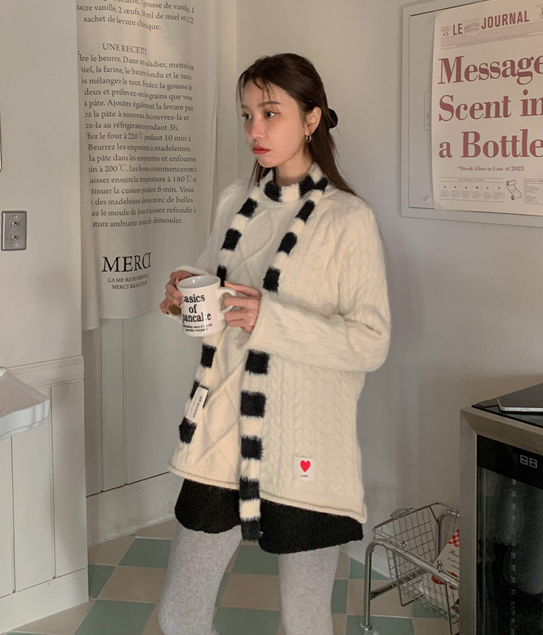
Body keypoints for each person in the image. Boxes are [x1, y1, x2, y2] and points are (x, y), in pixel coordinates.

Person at [157, 53, 390, 635]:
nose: (254, 130)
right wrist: (188, 293)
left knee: (305, 622)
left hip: (305, 440)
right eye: (247, 115)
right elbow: (220, 312)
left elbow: (370, 343)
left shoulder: (348, 219)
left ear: (311, 118)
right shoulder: (234, 202)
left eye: (270, 112)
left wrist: (271, 318)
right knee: (180, 614)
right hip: (221, 433)